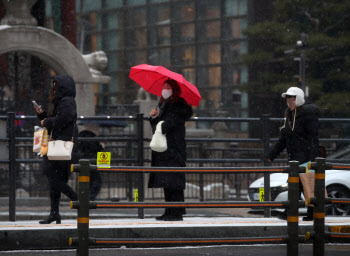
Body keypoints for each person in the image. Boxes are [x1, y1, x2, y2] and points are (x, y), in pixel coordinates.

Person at [268, 87, 319, 221]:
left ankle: (297, 211)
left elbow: (313, 137)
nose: (289, 101)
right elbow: (283, 139)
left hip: (306, 156)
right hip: (295, 157)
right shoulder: (289, 116)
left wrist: (313, 158)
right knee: (298, 186)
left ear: (299, 99)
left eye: (292, 98)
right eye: (287, 98)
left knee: (304, 186)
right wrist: (271, 155)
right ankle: (301, 212)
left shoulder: (308, 115)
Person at [34, 74, 78, 224]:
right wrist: (42, 115)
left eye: (56, 86)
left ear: (63, 87)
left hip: (60, 145)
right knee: (55, 181)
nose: (54, 89)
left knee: (54, 179)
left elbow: (63, 120)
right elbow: (54, 120)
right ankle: (54, 213)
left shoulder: (67, 102)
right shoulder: (60, 101)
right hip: (55, 144)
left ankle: (78, 199)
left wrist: (47, 121)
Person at [149, 79, 193, 221]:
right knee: (166, 181)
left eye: (167, 87)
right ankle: (169, 210)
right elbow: (158, 128)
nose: (164, 90)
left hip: (174, 148)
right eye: (163, 87)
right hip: (166, 149)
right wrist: (154, 118)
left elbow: (168, 125)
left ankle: (176, 212)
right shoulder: (164, 105)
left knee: (174, 182)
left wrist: (162, 122)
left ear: (173, 90)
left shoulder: (178, 106)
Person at [77, 130, 103, 201]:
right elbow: (97, 150)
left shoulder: (82, 136)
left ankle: (86, 198)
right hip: (91, 162)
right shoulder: (92, 138)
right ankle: (89, 198)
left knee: (87, 182)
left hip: (83, 162)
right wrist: (101, 146)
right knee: (96, 181)